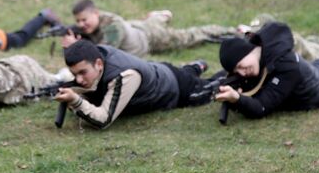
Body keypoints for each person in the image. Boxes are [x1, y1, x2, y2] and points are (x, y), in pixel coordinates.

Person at [56, 40, 210, 129]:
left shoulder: (124, 75)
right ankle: (197, 67)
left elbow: (103, 120)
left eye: (83, 72)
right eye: (75, 74)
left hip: (175, 88)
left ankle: (222, 71)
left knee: (213, 89)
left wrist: (76, 101)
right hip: (158, 70)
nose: (79, 80)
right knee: (186, 72)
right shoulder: (97, 55)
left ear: (98, 64)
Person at [61, 0, 239, 56]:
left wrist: (75, 47)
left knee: (191, 36)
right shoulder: (95, 25)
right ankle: (159, 16)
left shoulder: (114, 27)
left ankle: (234, 30)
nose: (81, 25)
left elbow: (102, 54)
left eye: (84, 20)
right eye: (78, 21)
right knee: (150, 22)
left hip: (151, 38)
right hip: (136, 26)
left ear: (96, 13)